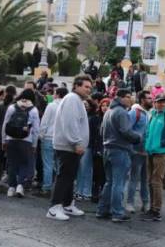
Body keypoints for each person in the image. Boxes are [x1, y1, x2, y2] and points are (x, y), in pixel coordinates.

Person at [47, 76, 92, 221]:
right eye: (86, 86)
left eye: (90, 87)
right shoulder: (72, 99)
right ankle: (54, 208)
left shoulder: (76, 100)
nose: (88, 89)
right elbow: (70, 123)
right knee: (64, 177)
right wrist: (76, 143)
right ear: (76, 86)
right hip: (68, 147)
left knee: (69, 177)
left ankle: (67, 204)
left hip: (71, 146)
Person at [97, 88, 141, 223]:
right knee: (118, 183)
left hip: (107, 149)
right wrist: (138, 137)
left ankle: (102, 210)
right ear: (121, 98)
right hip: (120, 150)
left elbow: (101, 132)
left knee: (109, 182)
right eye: (128, 96)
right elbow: (126, 131)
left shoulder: (109, 111)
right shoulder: (121, 112)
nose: (130, 99)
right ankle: (117, 213)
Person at [141, 94, 165, 221]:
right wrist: (147, 144)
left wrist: (161, 144)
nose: (162, 104)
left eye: (163, 102)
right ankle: (152, 208)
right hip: (151, 152)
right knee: (150, 182)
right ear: (154, 103)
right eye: (159, 102)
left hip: (161, 153)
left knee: (156, 182)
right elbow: (148, 132)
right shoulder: (153, 114)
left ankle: (156, 210)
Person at [1, 88, 40, 198]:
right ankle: (20, 186)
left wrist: (3, 140)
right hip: (26, 140)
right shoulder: (33, 110)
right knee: (24, 163)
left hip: (11, 139)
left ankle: (11, 187)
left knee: (12, 163)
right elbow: (36, 129)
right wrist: (34, 144)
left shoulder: (12, 107)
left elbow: (5, 124)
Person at [125, 90, 153, 213]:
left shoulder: (147, 114)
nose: (151, 100)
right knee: (134, 178)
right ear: (142, 100)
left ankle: (145, 203)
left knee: (145, 180)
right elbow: (127, 130)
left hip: (146, 151)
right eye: (148, 98)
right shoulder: (134, 112)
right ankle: (129, 203)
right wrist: (131, 149)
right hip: (136, 151)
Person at [39, 87, 68, 196]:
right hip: (61, 139)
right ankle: (57, 187)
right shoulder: (67, 107)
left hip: (48, 137)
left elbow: (44, 122)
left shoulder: (51, 106)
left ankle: (46, 187)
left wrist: (41, 135)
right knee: (58, 165)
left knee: (47, 164)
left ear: (57, 94)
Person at [0, 86, 16, 193]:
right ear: (14, 94)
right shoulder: (16, 107)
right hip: (12, 138)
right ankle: (11, 185)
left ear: (4, 93)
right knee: (11, 161)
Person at [75, 99, 98, 200]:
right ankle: (79, 190)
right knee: (81, 169)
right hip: (81, 144)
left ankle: (85, 192)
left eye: (86, 104)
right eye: (83, 104)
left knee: (86, 169)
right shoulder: (82, 116)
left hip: (88, 146)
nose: (84, 106)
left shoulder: (93, 118)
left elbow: (93, 134)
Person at [92, 98, 110, 202]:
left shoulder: (111, 118)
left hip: (107, 150)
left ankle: (103, 194)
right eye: (103, 105)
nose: (104, 107)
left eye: (107, 105)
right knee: (96, 173)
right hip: (97, 150)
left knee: (104, 174)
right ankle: (95, 193)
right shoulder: (96, 119)